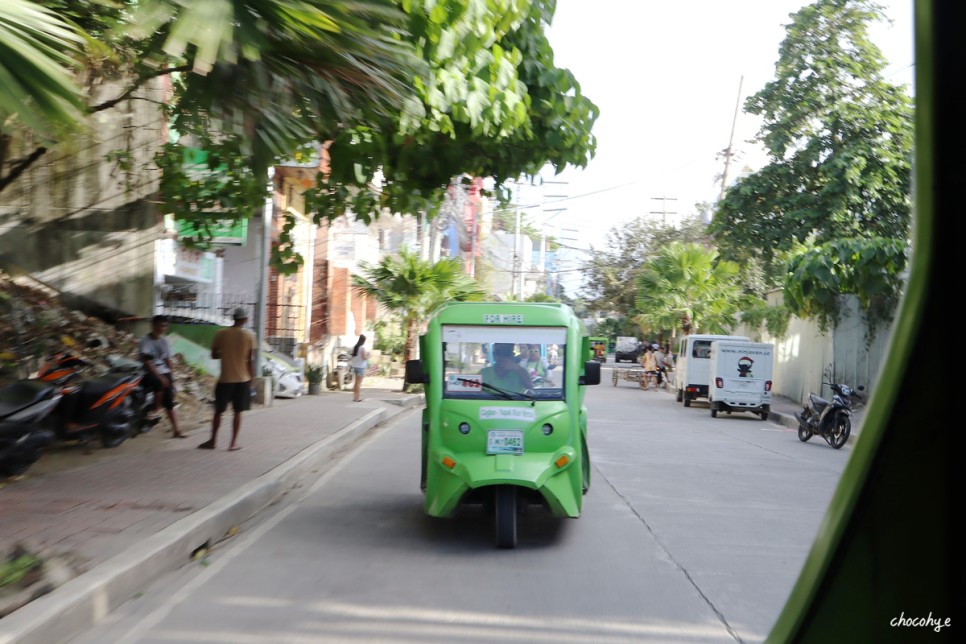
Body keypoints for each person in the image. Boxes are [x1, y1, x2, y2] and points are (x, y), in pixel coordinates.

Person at [199, 307, 255, 451]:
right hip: (242, 379)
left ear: (233, 318)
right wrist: (252, 379)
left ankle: (212, 441)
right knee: (238, 412)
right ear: (244, 320)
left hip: (225, 379)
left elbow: (213, 354)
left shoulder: (221, 333)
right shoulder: (249, 336)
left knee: (218, 411)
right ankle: (233, 443)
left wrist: (225, 355)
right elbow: (249, 360)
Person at [138, 314, 185, 438]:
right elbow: (147, 363)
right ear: (153, 326)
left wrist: (170, 374)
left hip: (163, 371)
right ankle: (156, 410)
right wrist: (161, 377)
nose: (162, 328)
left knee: (169, 401)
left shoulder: (164, 341)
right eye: (160, 325)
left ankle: (177, 430)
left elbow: (167, 360)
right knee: (159, 382)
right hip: (148, 373)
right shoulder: (145, 341)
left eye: (165, 326)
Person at [350, 334, 369, 402]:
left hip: (355, 366)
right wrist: (369, 356)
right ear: (363, 340)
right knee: (358, 383)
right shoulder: (362, 348)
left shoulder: (355, 347)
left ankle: (355, 397)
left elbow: (353, 356)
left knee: (356, 383)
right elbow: (364, 357)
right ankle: (357, 398)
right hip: (361, 367)